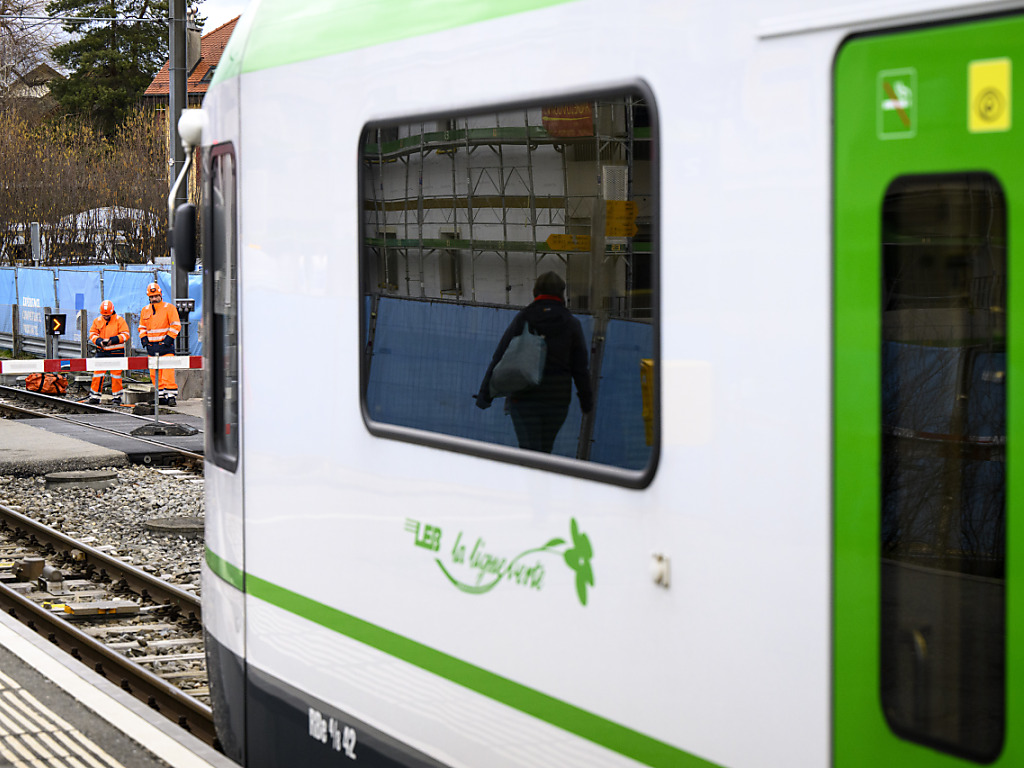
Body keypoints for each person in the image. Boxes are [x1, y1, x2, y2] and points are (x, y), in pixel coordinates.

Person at [476, 271, 593, 453]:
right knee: (545, 452)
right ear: (561, 294)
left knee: (529, 452)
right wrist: (586, 402)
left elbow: (500, 357)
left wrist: (485, 395)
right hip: (557, 401)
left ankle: (531, 478)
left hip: (524, 399)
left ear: (535, 291)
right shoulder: (571, 323)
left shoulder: (524, 318)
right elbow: (580, 368)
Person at [138, 282, 181, 407]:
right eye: (151, 297)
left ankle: (171, 396)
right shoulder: (145, 310)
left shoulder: (169, 308)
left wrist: (168, 340)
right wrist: (144, 341)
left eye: (156, 296)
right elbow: (141, 327)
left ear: (160, 295)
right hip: (152, 347)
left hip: (166, 346)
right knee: (154, 373)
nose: (154, 299)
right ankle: (161, 396)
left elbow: (176, 325)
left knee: (168, 372)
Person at [87, 300, 129, 405]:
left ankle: (117, 397)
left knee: (116, 375)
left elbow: (125, 335)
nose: (106, 317)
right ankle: (95, 396)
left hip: (116, 352)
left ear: (112, 312)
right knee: (98, 374)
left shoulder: (120, 321)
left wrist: (113, 340)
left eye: (108, 315)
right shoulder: (97, 321)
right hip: (102, 351)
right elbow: (92, 333)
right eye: (104, 315)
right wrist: (99, 341)